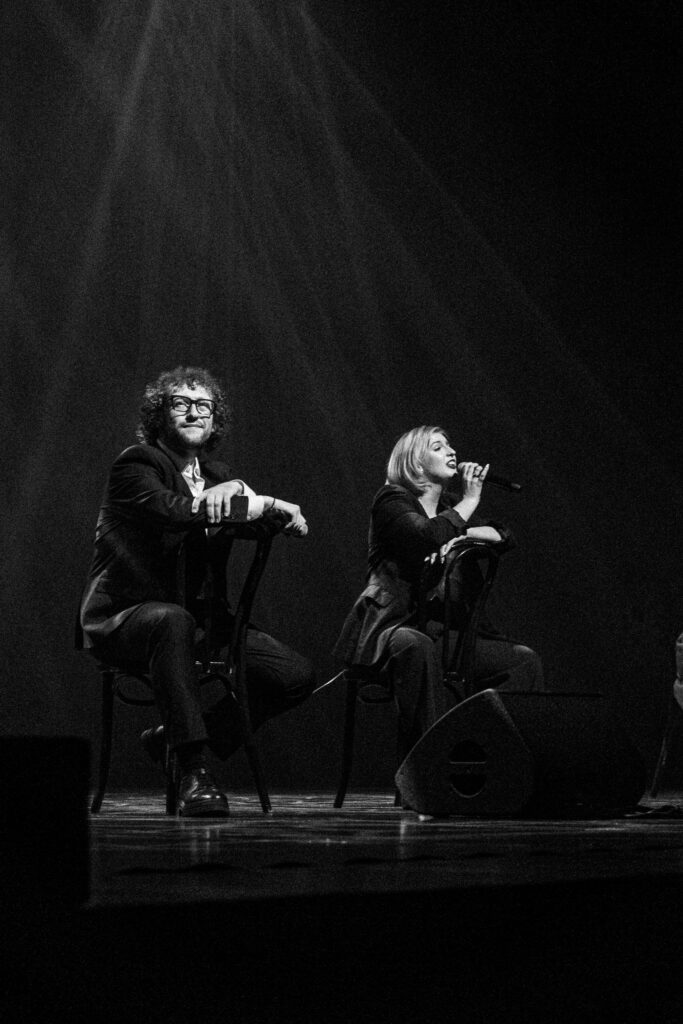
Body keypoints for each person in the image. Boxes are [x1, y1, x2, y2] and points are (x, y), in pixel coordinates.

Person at [77, 366, 315, 817]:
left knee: (293, 676)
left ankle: (172, 737)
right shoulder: (138, 464)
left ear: (214, 419)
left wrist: (273, 514)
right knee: (172, 620)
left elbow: (253, 522)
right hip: (128, 616)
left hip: (202, 621)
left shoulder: (217, 474)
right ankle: (193, 770)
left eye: (203, 405)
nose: (193, 412)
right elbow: (175, 511)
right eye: (180, 404)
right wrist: (261, 499)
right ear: (159, 414)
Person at [333, 425, 543, 754]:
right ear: (415, 462)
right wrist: (469, 501)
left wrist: (463, 534)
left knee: (522, 662)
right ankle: (432, 761)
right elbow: (426, 536)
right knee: (415, 646)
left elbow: (504, 536)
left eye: (449, 445)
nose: (451, 451)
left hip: (444, 632)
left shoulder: (450, 508)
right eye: (437, 447)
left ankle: (491, 754)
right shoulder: (392, 500)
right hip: (395, 627)